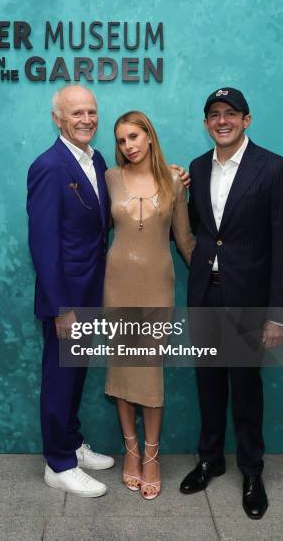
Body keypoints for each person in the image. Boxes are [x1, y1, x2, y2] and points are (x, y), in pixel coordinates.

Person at [180, 88, 283, 519]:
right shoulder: (197, 167)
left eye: (230, 113)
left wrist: (278, 314)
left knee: (246, 390)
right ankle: (210, 459)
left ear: (246, 120)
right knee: (208, 385)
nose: (222, 120)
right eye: (214, 114)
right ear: (206, 123)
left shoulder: (274, 169)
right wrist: (176, 194)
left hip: (251, 300)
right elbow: (195, 231)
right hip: (205, 297)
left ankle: (252, 471)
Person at [26, 85, 114, 498]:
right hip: (67, 300)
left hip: (90, 290)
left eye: (91, 112)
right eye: (76, 112)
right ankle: (57, 464)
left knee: (75, 374)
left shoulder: (95, 160)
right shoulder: (49, 166)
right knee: (60, 377)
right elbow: (43, 245)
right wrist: (62, 308)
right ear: (57, 118)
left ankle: (72, 443)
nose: (86, 119)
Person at [104, 111, 195, 499]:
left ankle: (152, 456)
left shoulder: (174, 180)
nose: (129, 146)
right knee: (123, 371)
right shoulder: (109, 178)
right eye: (122, 140)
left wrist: (221, 280)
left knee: (149, 372)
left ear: (150, 137)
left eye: (135, 137)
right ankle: (131, 451)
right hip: (116, 287)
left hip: (157, 288)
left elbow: (186, 240)